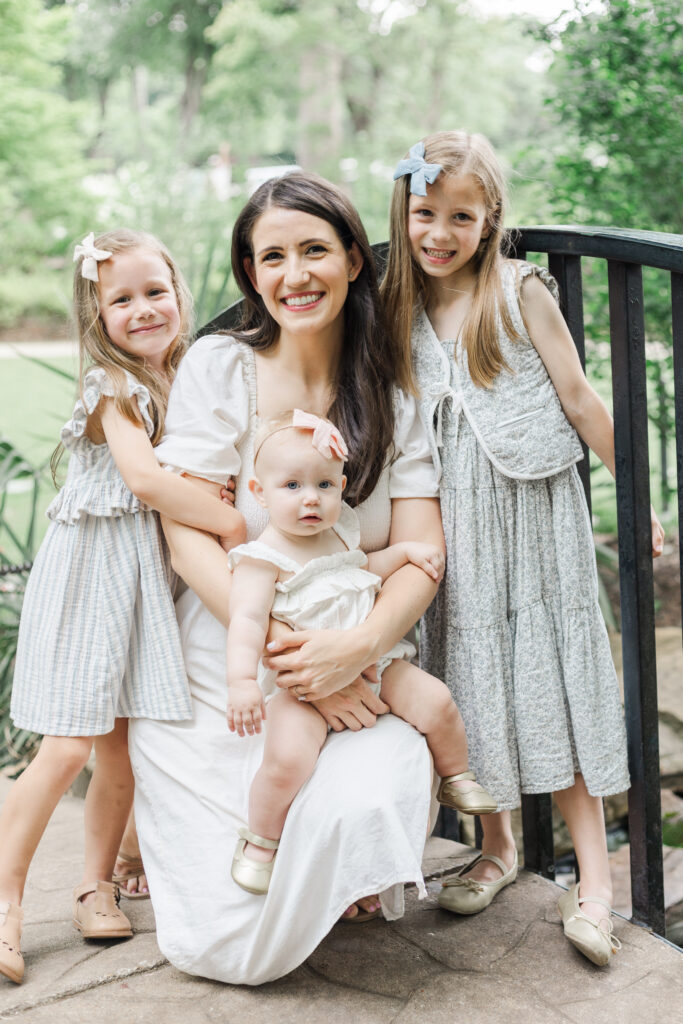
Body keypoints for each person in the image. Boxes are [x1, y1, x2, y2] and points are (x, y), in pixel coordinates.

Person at [127, 171, 445, 984]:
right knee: (224, 940)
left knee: (366, 802)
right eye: (271, 257)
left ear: (351, 259)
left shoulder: (393, 381)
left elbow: (421, 551)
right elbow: (187, 536)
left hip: (360, 652)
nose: (293, 275)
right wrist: (286, 656)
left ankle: (347, 874)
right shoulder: (218, 367)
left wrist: (359, 647)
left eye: (313, 250)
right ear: (249, 272)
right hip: (231, 658)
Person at [382, 132, 665, 968]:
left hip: (535, 511)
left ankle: (595, 882)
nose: (438, 231)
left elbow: (579, 399)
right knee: (468, 671)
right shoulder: (397, 303)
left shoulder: (518, 289)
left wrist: (636, 494)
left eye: (459, 216)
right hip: (453, 519)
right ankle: (499, 847)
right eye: (424, 212)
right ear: (403, 212)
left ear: (488, 220)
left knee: (553, 672)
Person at [0, 229, 245, 985]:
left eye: (154, 292)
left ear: (178, 294)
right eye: (121, 299)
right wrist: (230, 524)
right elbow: (142, 480)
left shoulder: (186, 377)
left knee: (121, 751)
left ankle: (94, 882)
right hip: (91, 581)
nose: (143, 309)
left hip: (142, 587)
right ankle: (5, 900)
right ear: (95, 315)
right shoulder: (113, 388)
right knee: (70, 745)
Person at [226, 409, 496, 895]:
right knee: (287, 759)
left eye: (325, 485)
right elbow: (246, 621)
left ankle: (457, 776)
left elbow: (363, 567)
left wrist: (406, 554)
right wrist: (242, 681)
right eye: (292, 486)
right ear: (258, 493)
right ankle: (261, 841)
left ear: (342, 487)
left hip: (376, 661)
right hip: (303, 684)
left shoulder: (339, 534)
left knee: (436, 701)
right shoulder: (261, 559)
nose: (311, 498)